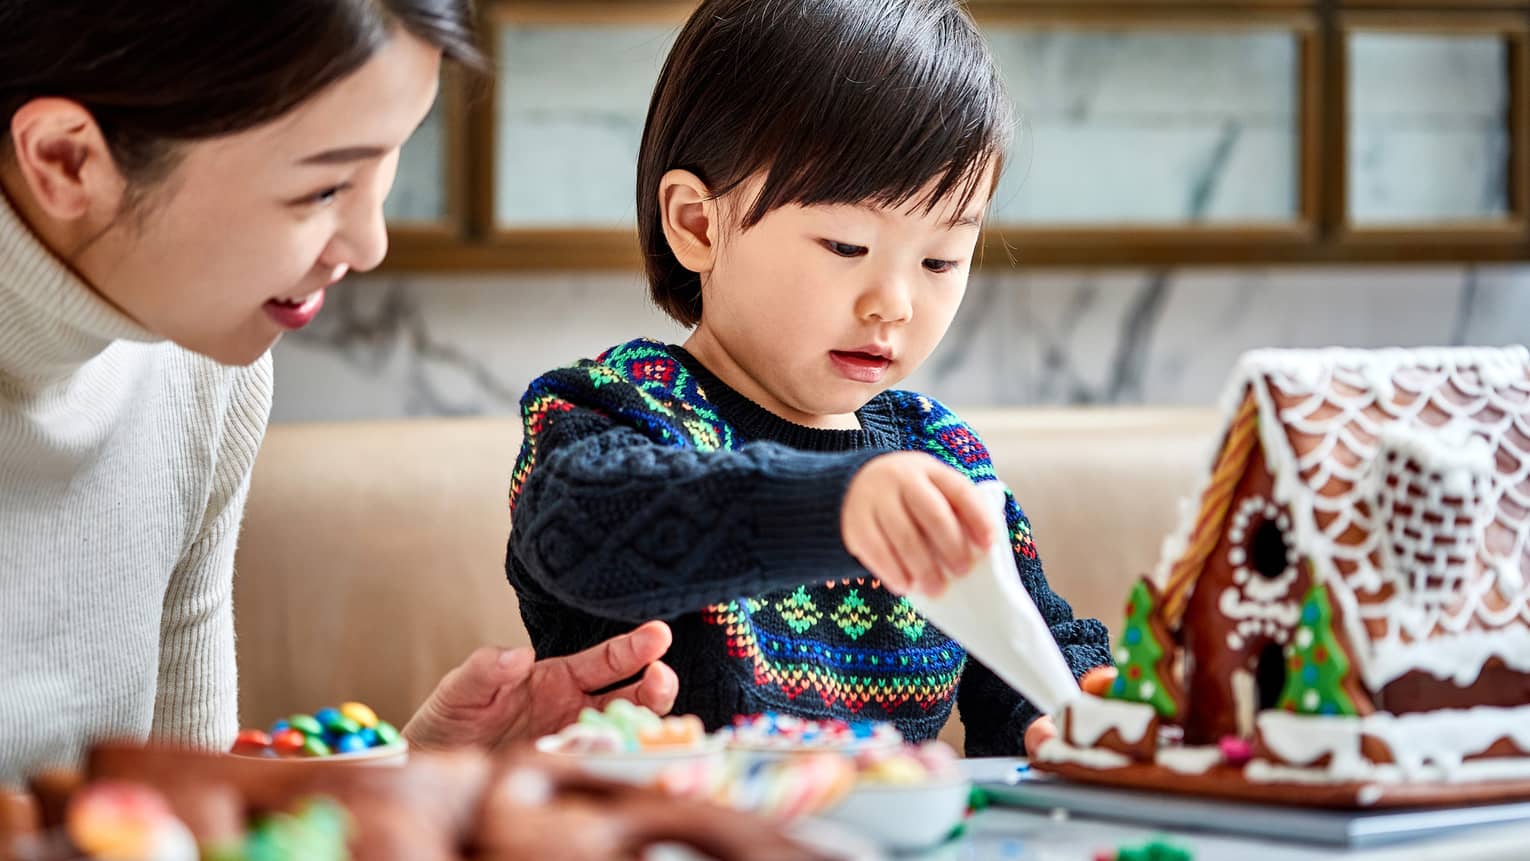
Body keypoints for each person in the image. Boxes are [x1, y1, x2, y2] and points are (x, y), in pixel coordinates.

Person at [0, 0, 678, 788]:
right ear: (66, 161)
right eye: (323, 189)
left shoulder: (203, 368)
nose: (369, 242)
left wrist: (409, 783)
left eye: (387, 161)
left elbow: (178, 810)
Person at [507, 0, 1116, 758]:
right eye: (845, 245)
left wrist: (1067, 708)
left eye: (939, 261)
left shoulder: (940, 453)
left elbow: (1027, 649)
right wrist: (838, 509)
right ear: (698, 225)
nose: (891, 304)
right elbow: (574, 529)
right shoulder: (616, 410)